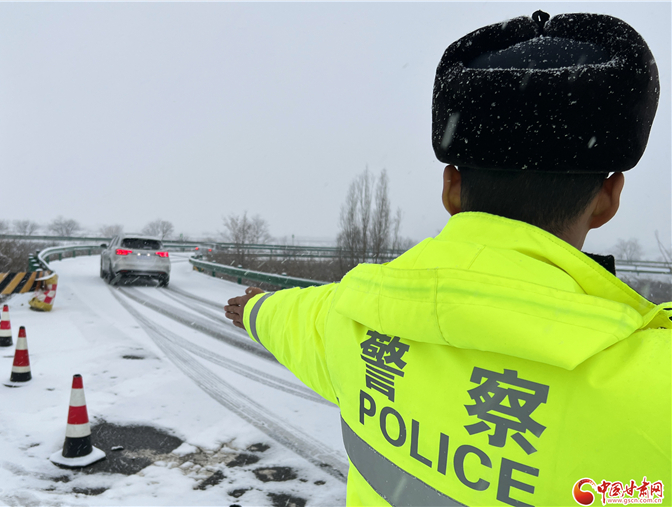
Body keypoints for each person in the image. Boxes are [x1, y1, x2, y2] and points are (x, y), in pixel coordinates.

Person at [224, 10, 671, 507]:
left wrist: (256, 308)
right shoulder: (657, 390)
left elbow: (295, 318)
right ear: (608, 199)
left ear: (452, 187)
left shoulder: (355, 314)